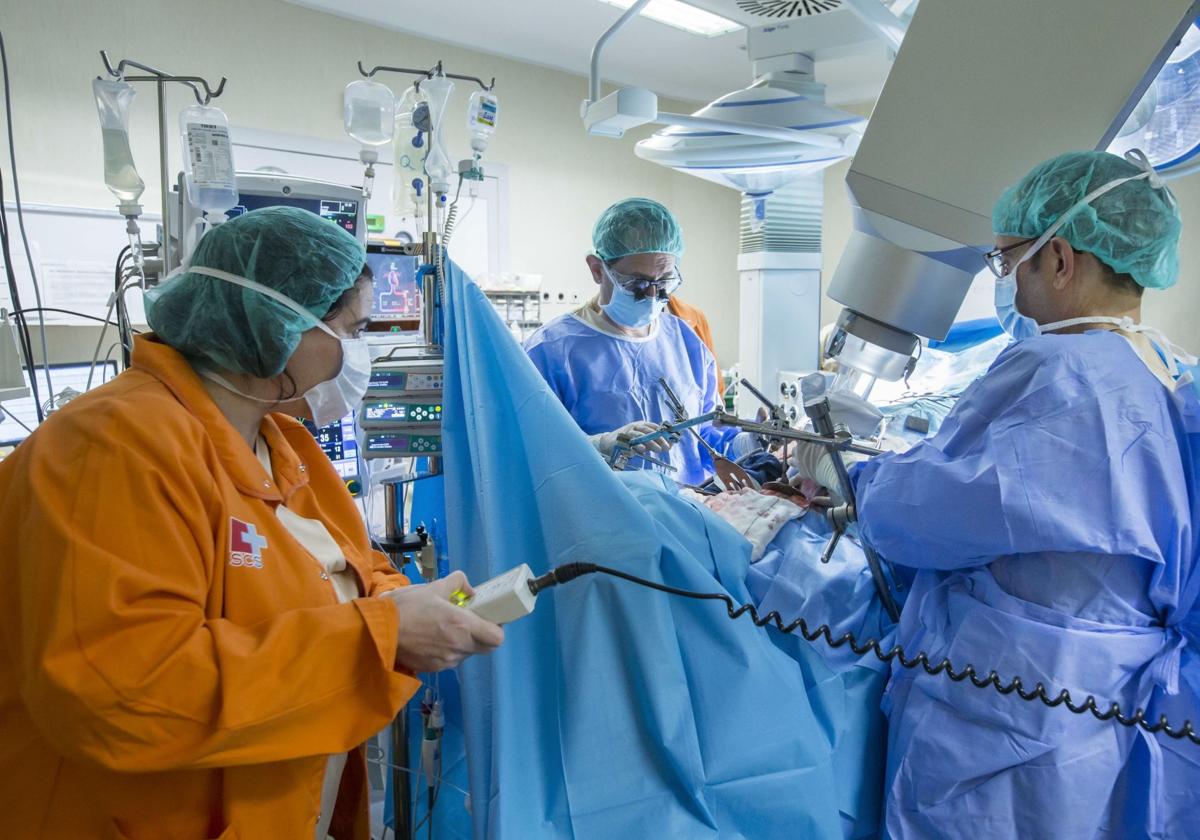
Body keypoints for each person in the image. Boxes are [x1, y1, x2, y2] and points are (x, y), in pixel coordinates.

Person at [0, 207, 504, 839]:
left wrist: (414, 606)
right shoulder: (109, 450)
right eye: (352, 329)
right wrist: (384, 636)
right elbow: (123, 693)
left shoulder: (284, 444)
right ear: (277, 324)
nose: (360, 355)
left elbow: (360, 572)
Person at [793, 150, 1200, 838]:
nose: (1004, 279)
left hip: (1010, 708)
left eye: (1006, 261)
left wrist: (851, 480)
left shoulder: (1056, 366)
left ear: (1061, 260)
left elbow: (939, 512)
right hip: (1117, 705)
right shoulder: (1174, 375)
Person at [524, 198, 742, 485]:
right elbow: (532, 450)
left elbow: (707, 435)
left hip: (689, 512)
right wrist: (599, 445)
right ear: (597, 270)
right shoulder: (551, 351)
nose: (653, 295)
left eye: (664, 283)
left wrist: (749, 444)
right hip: (603, 521)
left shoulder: (685, 342)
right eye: (637, 284)